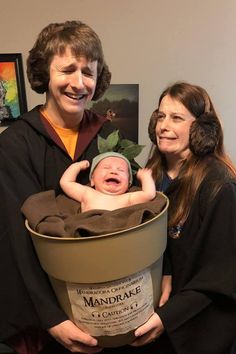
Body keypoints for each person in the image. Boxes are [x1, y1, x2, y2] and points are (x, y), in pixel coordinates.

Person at [0, 20, 123, 354]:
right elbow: (17, 238)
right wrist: (52, 318)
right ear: (44, 73)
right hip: (46, 320)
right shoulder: (14, 145)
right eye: (67, 69)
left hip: (107, 307)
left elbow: (134, 214)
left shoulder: (109, 141)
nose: (78, 83)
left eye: (88, 72)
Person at [129, 81, 236, 354]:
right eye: (160, 116)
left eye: (177, 118)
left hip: (198, 332)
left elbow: (221, 273)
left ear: (201, 129)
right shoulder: (148, 177)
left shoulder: (219, 185)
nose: (164, 126)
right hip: (153, 323)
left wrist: (167, 317)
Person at [60, 151, 156, 212]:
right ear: (92, 180)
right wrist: (77, 166)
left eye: (121, 170)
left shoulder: (127, 198)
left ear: (128, 185)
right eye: (106, 168)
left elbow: (149, 194)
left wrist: (145, 177)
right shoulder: (87, 193)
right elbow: (66, 182)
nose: (113, 171)